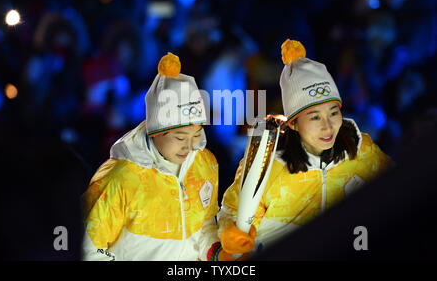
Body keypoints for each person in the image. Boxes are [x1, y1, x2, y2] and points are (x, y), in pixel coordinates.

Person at [217, 39, 393, 258]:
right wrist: (232, 235)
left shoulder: (362, 150)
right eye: (314, 116)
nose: (327, 126)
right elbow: (233, 212)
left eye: (333, 112)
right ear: (293, 123)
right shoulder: (268, 164)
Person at [82, 52, 231, 261]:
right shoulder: (120, 179)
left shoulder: (205, 164)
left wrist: (216, 253)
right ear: (156, 131)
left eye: (196, 134)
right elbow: (87, 250)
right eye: (180, 137)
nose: (190, 145)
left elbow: (205, 224)